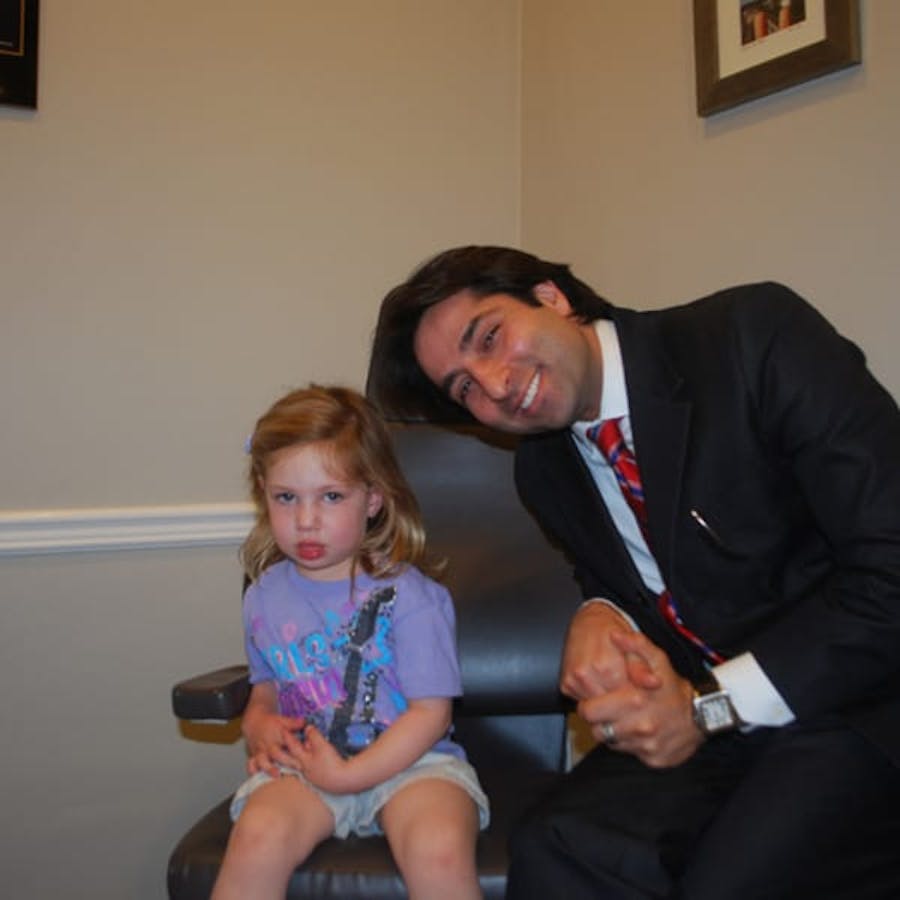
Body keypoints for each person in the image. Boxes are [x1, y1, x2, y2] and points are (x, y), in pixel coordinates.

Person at [366, 245, 900, 899]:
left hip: (860, 700)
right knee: (557, 848)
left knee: (731, 880)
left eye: (491, 337)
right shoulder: (545, 467)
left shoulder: (750, 338)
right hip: (718, 721)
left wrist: (709, 707)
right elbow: (620, 573)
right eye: (465, 387)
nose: (497, 385)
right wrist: (601, 612)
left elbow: (890, 571)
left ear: (551, 298)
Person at [212, 385, 489, 900]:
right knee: (257, 836)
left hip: (413, 764)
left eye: (331, 496)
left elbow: (432, 714)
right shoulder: (265, 598)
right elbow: (266, 686)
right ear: (263, 494)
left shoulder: (411, 598)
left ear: (374, 499)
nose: (306, 519)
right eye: (286, 497)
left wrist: (352, 776)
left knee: (439, 850)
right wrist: (258, 721)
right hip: (306, 765)